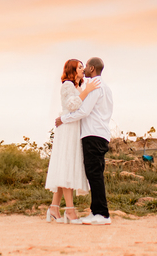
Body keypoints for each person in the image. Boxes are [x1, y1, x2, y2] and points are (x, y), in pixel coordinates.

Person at [55, 56, 113, 225]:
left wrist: (63, 119)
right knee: (96, 174)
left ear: (92, 69)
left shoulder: (93, 86)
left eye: (86, 66)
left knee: (94, 175)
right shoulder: (106, 87)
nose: (85, 69)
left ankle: (101, 214)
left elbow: (84, 111)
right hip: (102, 133)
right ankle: (97, 212)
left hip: (92, 134)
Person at [44, 59, 99, 223]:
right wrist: (86, 91)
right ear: (72, 70)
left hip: (75, 130)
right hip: (67, 130)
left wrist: (85, 90)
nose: (83, 70)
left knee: (65, 167)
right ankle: (69, 210)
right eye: (80, 67)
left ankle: (54, 208)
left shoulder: (79, 87)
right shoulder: (67, 85)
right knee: (66, 166)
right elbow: (72, 105)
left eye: (83, 67)